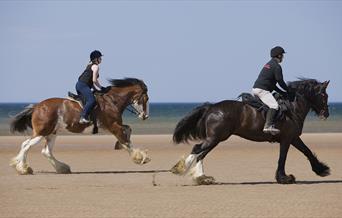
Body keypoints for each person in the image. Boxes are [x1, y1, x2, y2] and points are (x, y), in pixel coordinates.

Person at [252, 46, 290, 134]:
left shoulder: (269, 64)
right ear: (279, 56)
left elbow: (273, 85)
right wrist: (288, 90)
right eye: (282, 55)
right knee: (274, 106)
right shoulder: (276, 66)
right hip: (262, 91)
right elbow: (280, 82)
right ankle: (268, 126)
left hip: (256, 89)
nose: (283, 57)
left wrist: (282, 92)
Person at [76, 50, 105, 124]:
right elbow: (94, 80)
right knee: (91, 100)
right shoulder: (95, 67)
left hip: (81, 85)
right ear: (96, 59)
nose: (101, 59)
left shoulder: (90, 64)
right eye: (100, 58)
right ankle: (83, 117)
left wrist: (98, 88)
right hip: (83, 85)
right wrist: (101, 88)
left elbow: (93, 82)